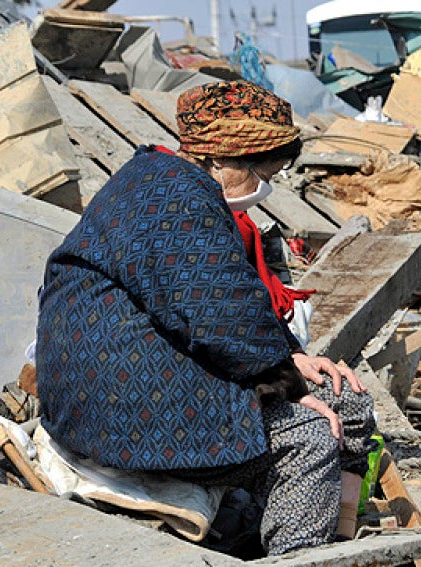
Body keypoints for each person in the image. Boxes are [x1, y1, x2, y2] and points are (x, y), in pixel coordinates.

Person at [36, 80, 377, 556]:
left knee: (349, 401)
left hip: (136, 369)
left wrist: (292, 360)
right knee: (308, 438)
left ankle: (340, 532)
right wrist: (290, 388)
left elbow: (226, 296)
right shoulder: (179, 199)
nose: (265, 187)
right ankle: (297, 556)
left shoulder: (160, 176)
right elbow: (221, 318)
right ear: (222, 158)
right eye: (262, 172)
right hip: (113, 400)